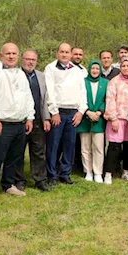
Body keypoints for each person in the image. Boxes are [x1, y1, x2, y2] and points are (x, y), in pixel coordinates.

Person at [0, 43, 35, 204]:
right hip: (1, 123)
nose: (11, 56)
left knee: (14, 157)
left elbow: (28, 97)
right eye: (8, 53)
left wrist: (30, 117)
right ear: (1, 55)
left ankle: (8, 184)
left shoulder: (20, 74)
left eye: (14, 54)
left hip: (19, 123)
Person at [44, 42, 87, 185]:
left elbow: (82, 92)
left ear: (70, 54)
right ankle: (51, 175)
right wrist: (53, 111)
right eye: (62, 52)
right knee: (53, 145)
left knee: (70, 145)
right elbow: (48, 91)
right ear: (57, 53)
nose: (64, 54)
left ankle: (65, 173)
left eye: (67, 52)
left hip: (73, 112)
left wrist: (81, 111)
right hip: (58, 112)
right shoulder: (50, 68)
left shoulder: (77, 70)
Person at [14, 50, 51, 192]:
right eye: (27, 59)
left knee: (39, 151)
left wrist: (46, 118)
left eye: (33, 59)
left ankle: (40, 179)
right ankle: (19, 180)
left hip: (38, 119)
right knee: (18, 151)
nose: (30, 62)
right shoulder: (16, 74)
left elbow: (45, 98)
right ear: (22, 59)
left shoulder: (41, 76)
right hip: (20, 120)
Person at [103, 58, 128, 184]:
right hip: (117, 118)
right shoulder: (114, 81)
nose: (125, 68)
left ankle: (126, 171)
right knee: (114, 146)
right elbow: (110, 99)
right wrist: (113, 118)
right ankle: (108, 173)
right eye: (123, 66)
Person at [78, 60, 108, 183]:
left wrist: (99, 112)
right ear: (89, 69)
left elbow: (108, 99)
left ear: (100, 70)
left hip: (99, 119)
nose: (95, 71)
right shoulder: (83, 82)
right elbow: (79, 97)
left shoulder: (106, 82)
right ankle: (88, 171)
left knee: (98, 147)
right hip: (85, 118)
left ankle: (98, 172)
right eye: (93, 68)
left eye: (97, 68)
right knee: (85, 147)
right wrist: (87, 112)